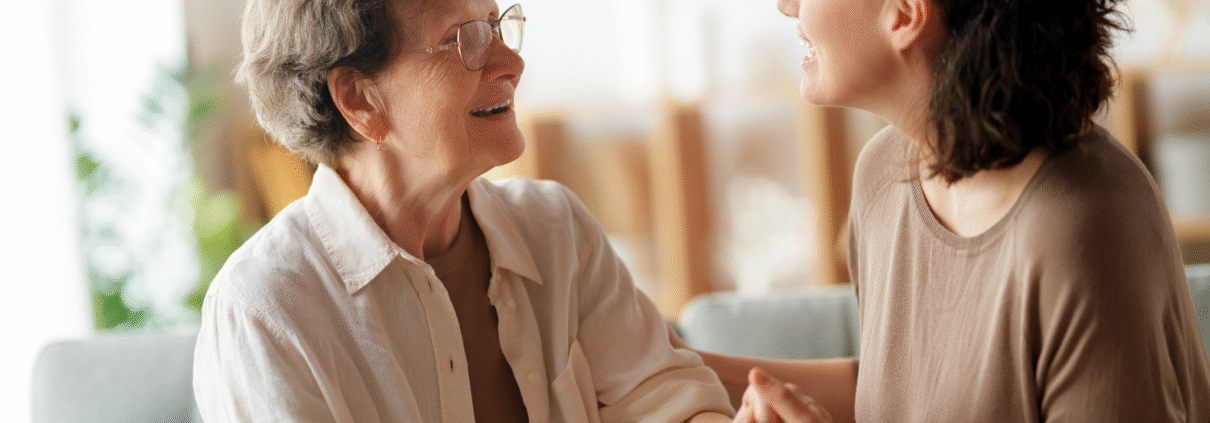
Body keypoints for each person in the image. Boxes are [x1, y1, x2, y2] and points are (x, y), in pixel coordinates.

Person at [190, 0, 735, 421]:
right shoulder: (264, 309)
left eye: (499, 27)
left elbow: (665, 397)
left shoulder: (555, 228)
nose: (512, 63)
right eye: (466, 39)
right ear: (359, 100)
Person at [692, 0, 1210, 421]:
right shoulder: (883, 173)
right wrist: (667, 365)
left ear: (905, 14)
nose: (786, 6)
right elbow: (894, 392)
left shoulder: (1082, 229)